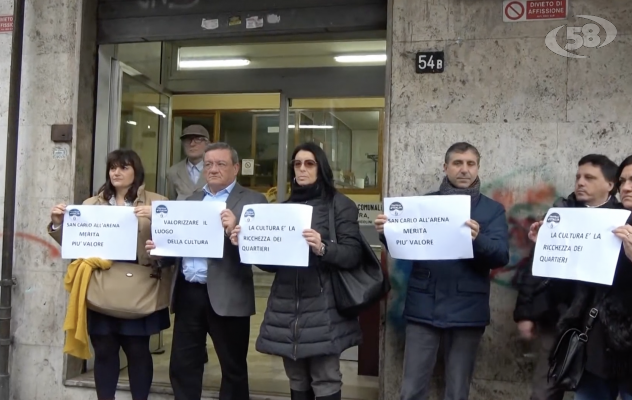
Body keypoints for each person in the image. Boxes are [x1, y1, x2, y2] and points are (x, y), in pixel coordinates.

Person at [374, 142, 510, 400]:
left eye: (470, 164)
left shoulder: (491, 210)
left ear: (478, 168)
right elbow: (403, 249)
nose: (464, 170)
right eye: (458, 163)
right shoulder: (423, 204)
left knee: (457, 391)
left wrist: (477, 238)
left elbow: (501, 256)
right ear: (445, 167)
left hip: (468, 311)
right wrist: (386, 234)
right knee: (411, 390)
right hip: (423, 306)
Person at [229, 142, 364, 400]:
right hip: (287, 304)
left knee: (326, 378)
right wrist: (247, 244)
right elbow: (271, 264)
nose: (302, 169)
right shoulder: (283, 208)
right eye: (297, 164)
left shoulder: (340, 205)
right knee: (297, 377)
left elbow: (353, 254)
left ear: (321, 167)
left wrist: (323, 247)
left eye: (309, 163)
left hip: (325, 306)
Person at [145, 142, 268, 400]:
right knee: (183, 365)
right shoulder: (191, 200)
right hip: (190, 293)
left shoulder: (254, 201)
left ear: (236, 168)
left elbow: (262, 252)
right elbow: (178, 247)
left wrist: (236, 231)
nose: (213, 169)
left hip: (229, 294)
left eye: (220, 164)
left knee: (233, 367)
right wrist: (161, 249)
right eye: (208, 164)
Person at [48, 149, 170, 400]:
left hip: (140, 287)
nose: (116, 172)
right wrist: (59, 223)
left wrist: (157, 220)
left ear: (136, 171)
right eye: (113, 167)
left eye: (124, 167)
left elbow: (174, 244)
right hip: (100, 286)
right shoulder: (90, 204)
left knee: (137, 351)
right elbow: (76, 244)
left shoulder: (158, 202)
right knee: (103, 350)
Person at [513, 154, 619, 400]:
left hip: (602, 326)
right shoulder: (560, 214)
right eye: (578, 177)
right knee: (545, 389)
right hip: (558, 317)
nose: (580, 182)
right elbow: (535, 267)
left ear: (610, 185)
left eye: (589, 178)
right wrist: (526, 314)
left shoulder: (622, 219)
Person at [166, 124, 211, 200]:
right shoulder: (173, 172)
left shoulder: (215, 169)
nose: (192, 144)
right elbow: (172, 201)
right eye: (187, 140)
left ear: (207, 143)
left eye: (198, 139)